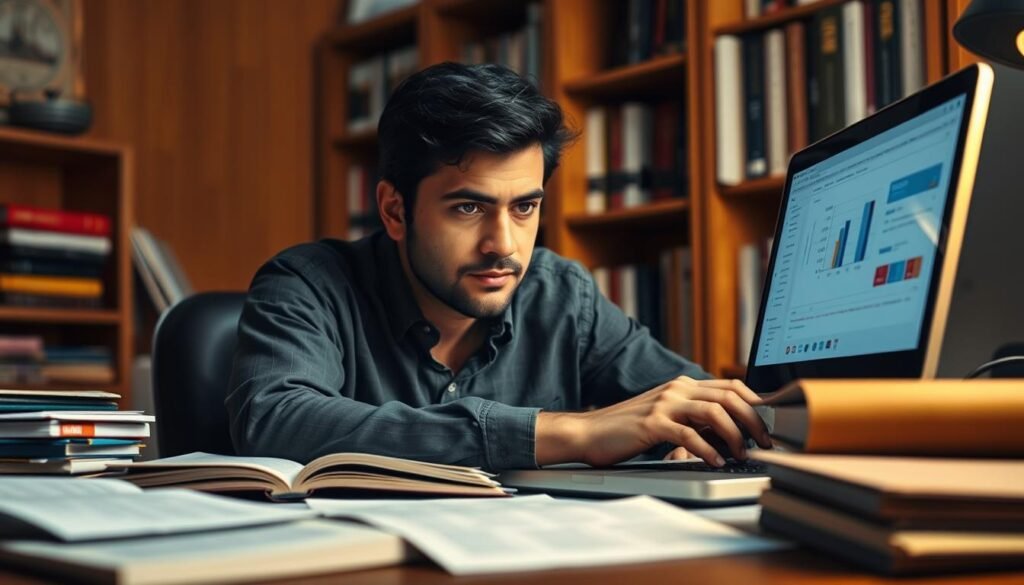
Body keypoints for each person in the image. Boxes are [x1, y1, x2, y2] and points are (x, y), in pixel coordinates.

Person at [226, 62, 771, 471]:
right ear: (395, 209)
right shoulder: (307, 283)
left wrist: (696, 433)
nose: (503, 245)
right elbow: (274, 418)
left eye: (525, 206)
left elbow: (699, 399)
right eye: (469, 208)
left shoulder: (561, 294)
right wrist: (567, 434)